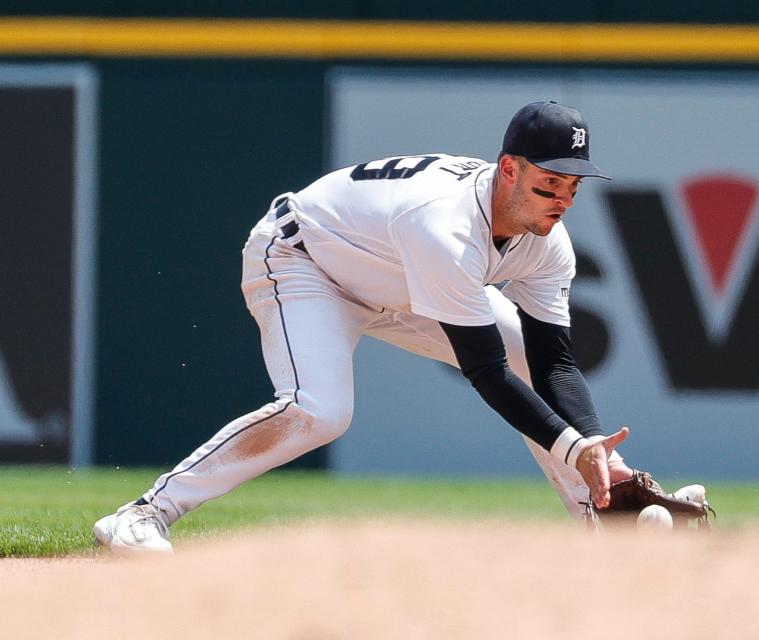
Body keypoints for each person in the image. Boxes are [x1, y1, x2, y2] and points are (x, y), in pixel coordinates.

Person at [93, 100, 640, 553]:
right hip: (305, 261)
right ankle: (143, 514)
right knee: (318, 412)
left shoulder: (547, 242)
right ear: (509, 170)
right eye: (550, 183)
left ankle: (607, 514)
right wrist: (571, 446)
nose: (562, 200)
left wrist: (590, 443)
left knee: (529, 356)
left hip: (396, 279)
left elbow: (554, 362)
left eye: (573, 186)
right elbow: (486, 373)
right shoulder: (446, 226)